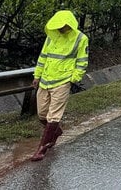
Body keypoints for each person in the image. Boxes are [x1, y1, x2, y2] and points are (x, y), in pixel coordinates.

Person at [30, 10, 89, 162]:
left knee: (53, 115)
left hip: (63, 81)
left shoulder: (80, 39)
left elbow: (82, 61)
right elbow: (43, 56)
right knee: (42, 114)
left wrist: (73, 79)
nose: (61, 29)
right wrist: (37, 76)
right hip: (46, 79)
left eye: (63, 26)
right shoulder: (51, 36)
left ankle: (42, 149)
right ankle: (56, 132)